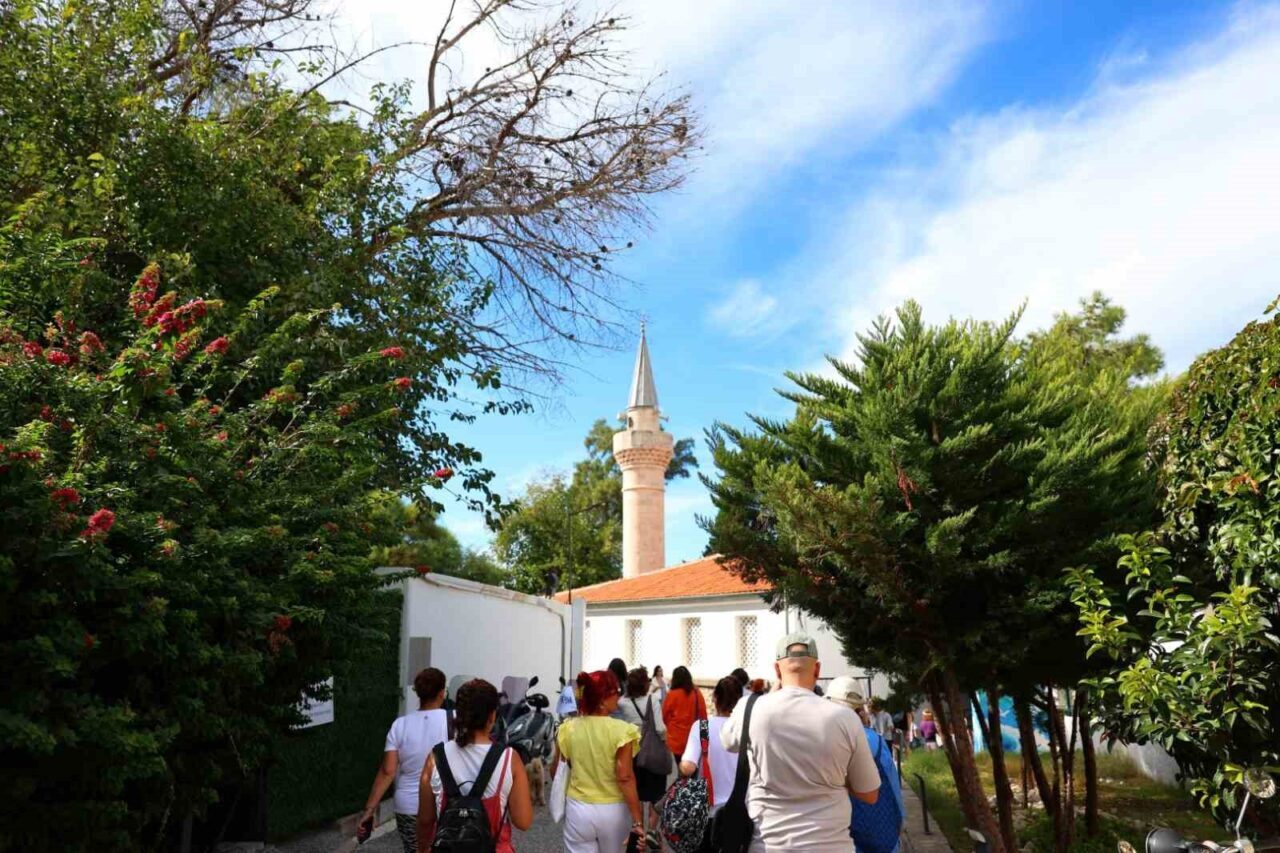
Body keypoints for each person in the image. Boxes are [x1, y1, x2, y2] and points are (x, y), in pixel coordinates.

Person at [721, 633, 880, 852]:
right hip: (831, 846)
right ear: (817, 669)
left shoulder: (750, 709)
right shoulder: (845, 718)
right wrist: (835, 778)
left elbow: (727, 741)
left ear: (777, 670)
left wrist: (772, 692)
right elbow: (869, 793)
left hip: (768, 845)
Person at [418, 678, 533, 851]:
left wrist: (422, 849)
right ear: (492, 716)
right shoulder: (509, 758)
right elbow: (523, 821)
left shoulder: (436, 757)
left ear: (459, 714)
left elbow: (425, 820)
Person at [552, 670, 645, 853]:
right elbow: (625, 777)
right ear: (602, 699)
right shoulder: (622, 731)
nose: (619, 696)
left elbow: (555, 771)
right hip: (613, 810)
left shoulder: (567, 729)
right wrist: (637, 821)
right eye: (616, 692)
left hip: (578, 809)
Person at [361, 667, 450, 853]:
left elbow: (388, 771)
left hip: (407, 806)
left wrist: (369, 810)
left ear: (418, 693)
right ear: (442, 692)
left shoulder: (400, 725)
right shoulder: (453, 721)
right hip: (442, 803)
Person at [828, 678, 904, 853]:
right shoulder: (874, 739)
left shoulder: (824, 739)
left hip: (842, 833)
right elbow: (893, 784)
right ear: (859, 709)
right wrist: (900, 818)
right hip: (881, 831)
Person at [616, 668, 667, 848]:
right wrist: (664, 741)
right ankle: (651, 833)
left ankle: (638, 832)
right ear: (645, 683)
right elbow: (660, 728)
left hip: (632, 753)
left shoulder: (622, 702)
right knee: (655, 796)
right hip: (652, 753)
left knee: (636, 793)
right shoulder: (653, 700)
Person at [679, 676, 742, 815]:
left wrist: (681, 765)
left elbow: (688, 768)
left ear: (714, 698)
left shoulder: (702, 726)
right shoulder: (747, 728)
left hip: (709, 808)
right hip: (741, 807)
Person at [661, 665, 706, 762]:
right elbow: (703, 717)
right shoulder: (697, 693)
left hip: (675, 740)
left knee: (678, 766)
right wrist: (705, 741)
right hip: (693, 740)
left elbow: (664, 717)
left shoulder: (671, 695)